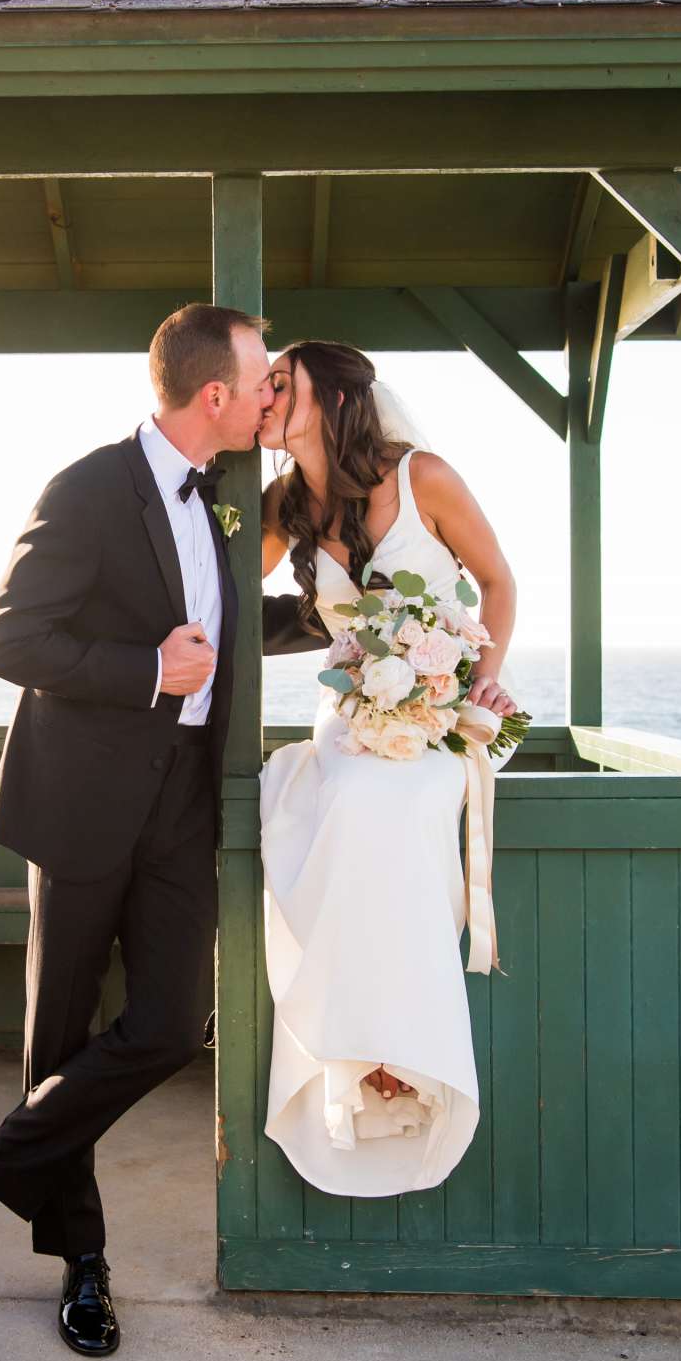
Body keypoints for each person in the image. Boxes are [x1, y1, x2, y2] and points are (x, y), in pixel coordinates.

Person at [0, 302, 328, 1357]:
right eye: (261, 380)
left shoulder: (232, 494)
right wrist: (147, 671)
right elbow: (10, 641)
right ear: (214, 396)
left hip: (184, 804)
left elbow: (229, 621)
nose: (272, 395)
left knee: (171, 1023)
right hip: (82, 800)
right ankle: (84, 1267)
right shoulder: (90, 488)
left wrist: (342, 619)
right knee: (59, 1040)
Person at [253, 339, 522, 1197]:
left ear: (331, 397)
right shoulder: (282, 504)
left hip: (435, 718)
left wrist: (478, 679)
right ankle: (355, 1042)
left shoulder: (423, 478)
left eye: (280, 386)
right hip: (348, 719)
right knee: (341, 800)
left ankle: (400, 1047)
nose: (263, 399)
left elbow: (497, 580)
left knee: (394, 809)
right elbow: (216, 584)